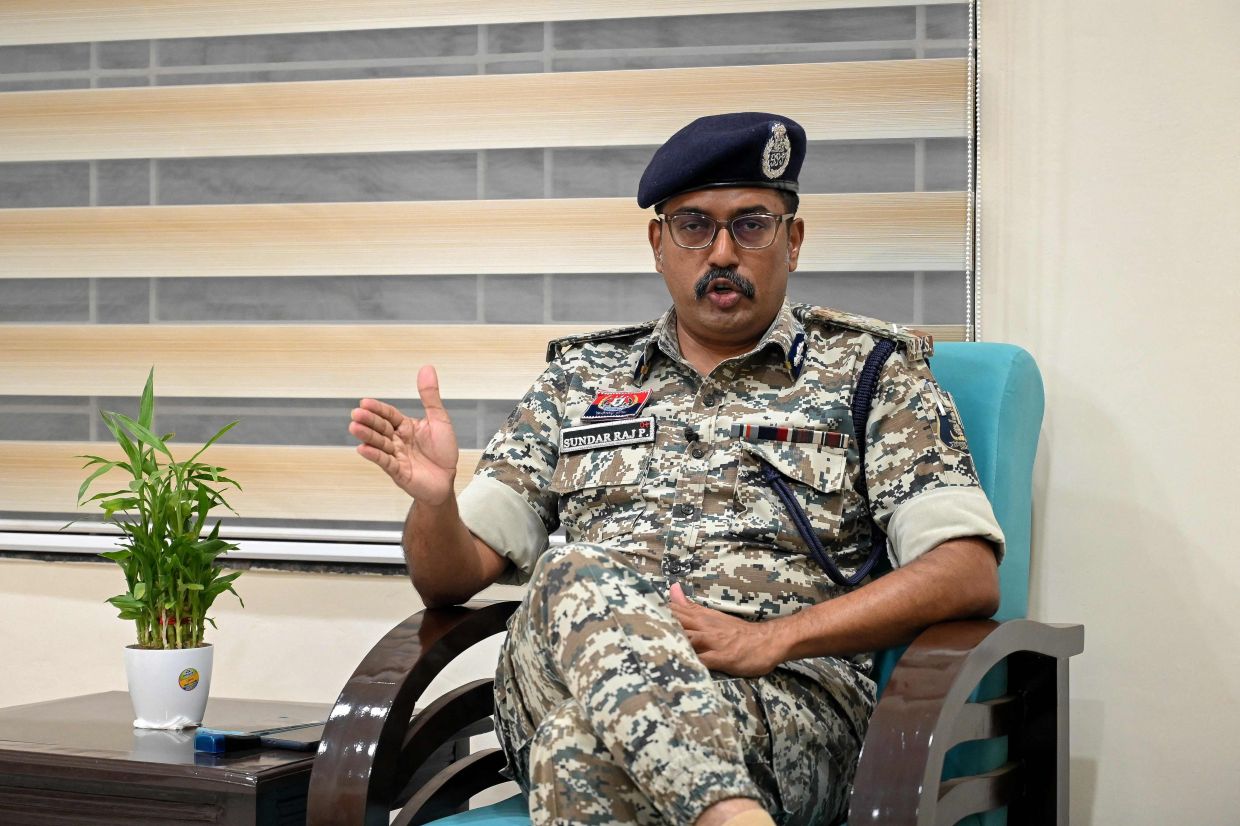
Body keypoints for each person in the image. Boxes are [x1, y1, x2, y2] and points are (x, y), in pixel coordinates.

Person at [348, 112, 1004, 826]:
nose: (722, 251)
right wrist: (436, 502)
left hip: (783, 709)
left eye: (751, 224)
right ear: (659, 244)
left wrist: (774, 637)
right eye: (694, 225)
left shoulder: (874, 375)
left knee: (575, 754)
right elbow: (445, 578)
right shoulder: (580, 380)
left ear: (794, 241)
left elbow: (965, 570)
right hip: (567, 680)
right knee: (570, 576)